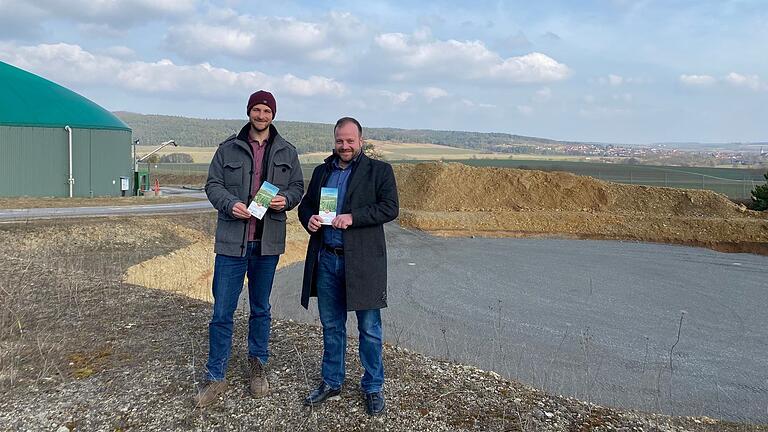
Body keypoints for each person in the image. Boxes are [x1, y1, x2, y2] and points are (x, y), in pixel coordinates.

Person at [195, 90, 304, 407]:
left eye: (266, 110)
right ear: (248, 112)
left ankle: (257, 366)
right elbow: (213, 185)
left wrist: (288, 200)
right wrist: (231, 205)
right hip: (232, 243)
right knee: (222, 311)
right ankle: (215, 375)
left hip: (267, 244)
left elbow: (297, 187)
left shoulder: (287, 151)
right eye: (256, 109)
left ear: (273, 114)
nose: (261, 115)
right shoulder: (228, 148)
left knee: (261, 308)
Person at [298, 117, 399, 416]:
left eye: (350, 141)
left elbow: (390, 208)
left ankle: (373, 386)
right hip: (327, 258)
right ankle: (332, 381)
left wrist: (353, 217)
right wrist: (309, 219)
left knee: (369, 328)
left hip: (363, 261)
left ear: (360, 140)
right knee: (331, 325)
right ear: (334, 140)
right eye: (340, 141)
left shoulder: (379, 171)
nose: (344, 146)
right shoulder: (321, 172)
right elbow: (306, 206)